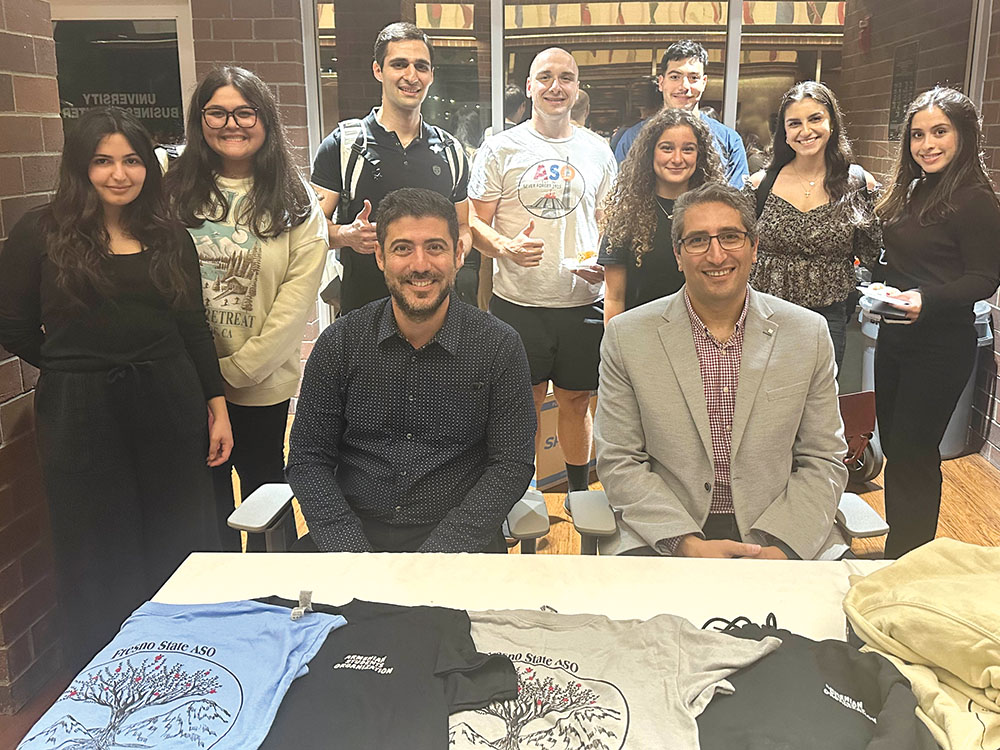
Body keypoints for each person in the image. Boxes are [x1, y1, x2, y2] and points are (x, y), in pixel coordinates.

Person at [0, 108, 232, 667]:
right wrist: (71, 365)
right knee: (94, 536)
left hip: (169, 395)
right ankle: (107, 665)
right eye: (103, 161)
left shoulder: (168, 234)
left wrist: (216, 406)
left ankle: (187, 654)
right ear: (81, 166)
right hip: (80, 407)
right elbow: (11, 324)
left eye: (131, 160)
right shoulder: (41, 231)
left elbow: (193, 326)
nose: (119, 173)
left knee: (177, 525)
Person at [594, 182, 848, 559]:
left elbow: (823, 457)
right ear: (678, 255)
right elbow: (619, 459)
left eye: (730, 237)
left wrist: (783, 547)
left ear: (754, 247)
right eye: (698, 241)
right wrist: (685, 543)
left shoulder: (806, 333)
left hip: (777, 527)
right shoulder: (627, 337)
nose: (716, 255)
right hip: (666, 530)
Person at [286, 188, 536, 552]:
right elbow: (309, 458)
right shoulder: (340, 343)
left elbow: (510, 464)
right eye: (403, 248)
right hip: (352, 538)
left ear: (458, 254)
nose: (420, 265)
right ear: (380, 257)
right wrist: (350, 550)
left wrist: (438, 556)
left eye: (435, 247)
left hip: (458, 543)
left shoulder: (498, 346)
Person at [164, 67, 329, 552]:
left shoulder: (296, 199)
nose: (231, 123)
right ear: (199, 120)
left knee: (264, 491)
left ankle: (279, 597)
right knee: (202, 498)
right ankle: (219, 601)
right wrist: (199, 380)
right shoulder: (172, 194)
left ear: (265, 120)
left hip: (260, 381)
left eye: (245, 112)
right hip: (185, 379)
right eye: (217, 112)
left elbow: (296, 302)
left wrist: (236, 372)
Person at [469, 47, 617, 496]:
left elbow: (609, 223)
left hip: (581, 302)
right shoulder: (501, 147)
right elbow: (472, 223)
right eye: (546, 77)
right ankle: (523, 491)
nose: (557, 86)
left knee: (576, 402)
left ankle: (576, 494)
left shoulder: (598, 150)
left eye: (567, 78)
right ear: (530, 87)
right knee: (524, 405)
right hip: (518, 303)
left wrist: (603, 264)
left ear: (577, 88)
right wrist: (505, 247)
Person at [873, 87, 1000, 558]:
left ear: (964, 135)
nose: (927, 144)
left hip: (941, 345)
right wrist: (882, 286)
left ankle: (908, 558)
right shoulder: (917, 188)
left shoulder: (975, 198)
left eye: (939, 132)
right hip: (896, 334)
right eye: (918, 134)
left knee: (915, 453)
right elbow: (911, 263)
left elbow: (985, 278)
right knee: (896, 450)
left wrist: (925, 300)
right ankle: (899, 547)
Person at [310, 22, 472, 316]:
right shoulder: (344, 146)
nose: (411, 76)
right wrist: (346, 235)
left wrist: (456, 252)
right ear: (378, 70)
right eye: (399, 64)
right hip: (362, 317)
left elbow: (463, 227)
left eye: (421, 66)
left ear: (431, 75)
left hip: (435, 316)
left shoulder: (450, 151)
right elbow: (311, 229)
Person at [744, 81, 881, 372]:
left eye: (815, 119)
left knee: (818, 407)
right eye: (794, 123)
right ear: (784, 133)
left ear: (832, 122)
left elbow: (875, 254)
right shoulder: (760, 185)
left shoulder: (856, 184)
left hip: (827, 319)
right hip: (765, 317)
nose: (805, 131)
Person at [599, 107, 723, 323]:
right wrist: (613, 351)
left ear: (699, 155)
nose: (677, 158)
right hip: (641, 338)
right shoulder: (626, 216)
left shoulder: (716, 212)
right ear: (650, 152)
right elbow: (614, 299)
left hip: (704, 337)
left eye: (688, 149)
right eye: (667, 148)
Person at [613, 40, 749, 188]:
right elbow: (620, 198)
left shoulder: (729, 141)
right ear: (661, 82)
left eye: (693, 78)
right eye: (675, 77)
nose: (684, 86)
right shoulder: (632, 139)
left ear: (704, 82)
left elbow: (737, 204)